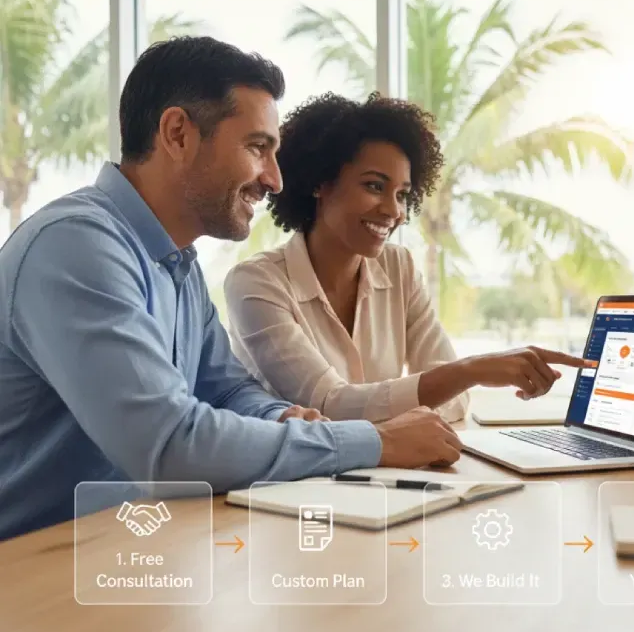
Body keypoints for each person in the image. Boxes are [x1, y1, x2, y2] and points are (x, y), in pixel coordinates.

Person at [0, 37, 461, 542]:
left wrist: (283, 416)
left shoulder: (178, 263)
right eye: (257, 148)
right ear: (177, 134)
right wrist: (372, 441)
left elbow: (225, 388)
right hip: (29, 572)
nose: (276, 179)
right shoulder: (76, 246)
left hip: (126, 547)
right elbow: (171, 446)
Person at [223, 92, 593, 425]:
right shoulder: (256, 283)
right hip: (295, 485)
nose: (392, 210)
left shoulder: (399, 269)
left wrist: (443, 386)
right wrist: (469, 371)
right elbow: (329, 404)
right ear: (320, 182)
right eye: (374, 186)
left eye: (402, 194)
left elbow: (455, 402)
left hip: (389, 473)